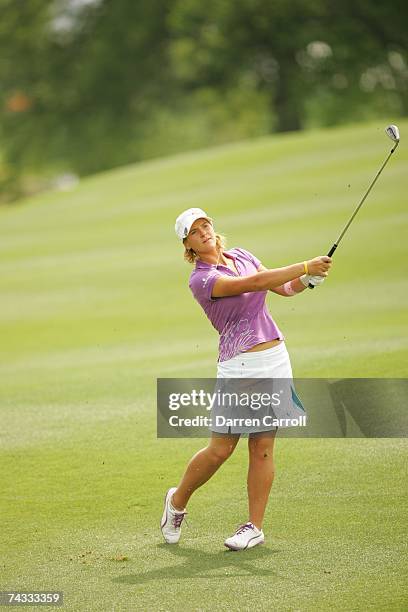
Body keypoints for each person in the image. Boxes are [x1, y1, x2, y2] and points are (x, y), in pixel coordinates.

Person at [161, 208, 332, 550]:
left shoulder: (242, 255)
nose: (204, 232)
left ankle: (254, 526)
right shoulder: (202, 279)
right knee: (221, 449)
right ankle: (177, 501)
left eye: (206, 225)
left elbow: (282, 288)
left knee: (263, 448)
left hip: (275, 360)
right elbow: (253, 285)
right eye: (195, 232)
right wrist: (304, 266)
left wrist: (309, 280)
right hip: (240, 367)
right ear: (188, 245)